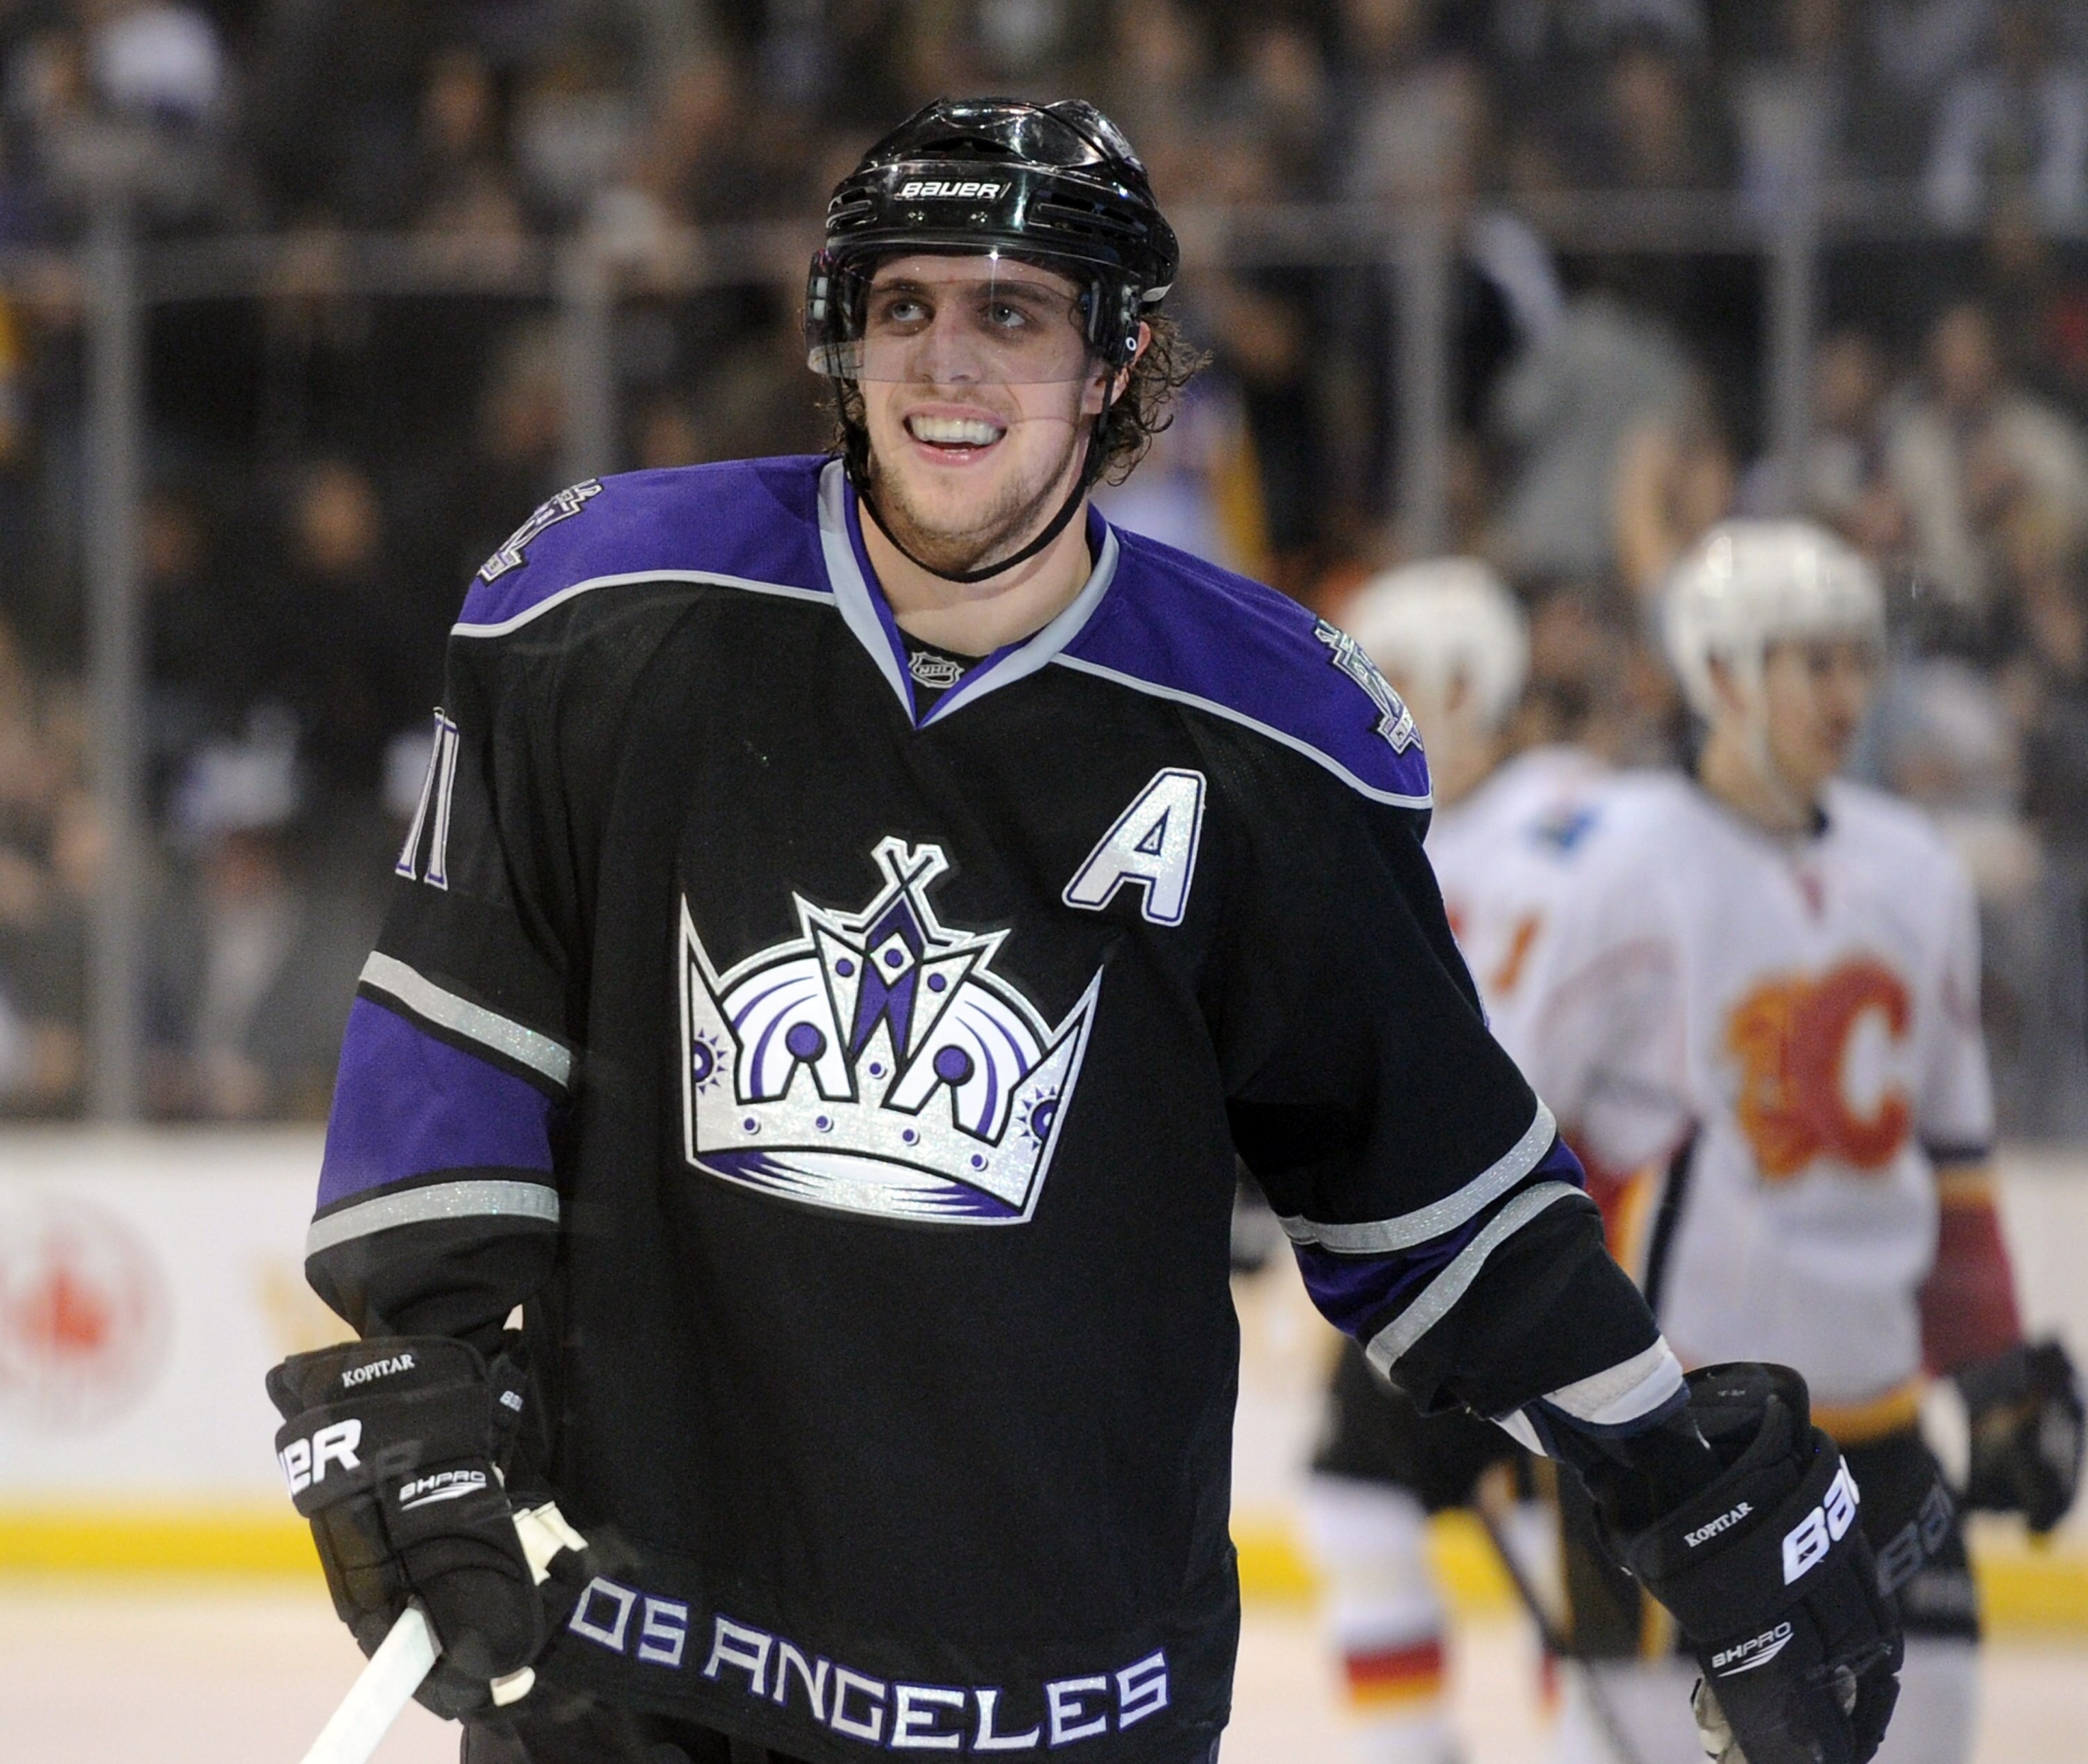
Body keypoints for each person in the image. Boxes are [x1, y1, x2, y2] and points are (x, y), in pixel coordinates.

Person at [264, 102, 1899, 1764]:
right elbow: (461, 1017)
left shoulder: (1273, 740)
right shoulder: (608, 613)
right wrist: (419, 1363)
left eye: (1014, 311)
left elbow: (1440, 1203)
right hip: (649, 1644)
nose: (949, 364)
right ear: (844, 333)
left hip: (1065, 1690)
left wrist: (1672, 1458)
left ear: (1118, 361)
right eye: (907, 305)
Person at [1509, 521, 2086, 1763]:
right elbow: (1525, 1145)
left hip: (1882, 1438)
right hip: (1688, 1462)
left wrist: (1985, 1368)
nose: (1845, 693)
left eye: (1856, 659)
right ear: (1723, 672)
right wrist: (1506, 1378)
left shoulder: (1917, 869)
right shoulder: (1630, 866)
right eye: (1809, 661)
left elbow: (1951, 1162)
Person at [1302, 558, 1623, 1764]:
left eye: (1395, 681)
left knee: (1573, 1517)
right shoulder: (1395, 831)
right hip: (1445, 1242)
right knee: (1357, 1493)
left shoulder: (1563, 821)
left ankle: (1575, 1740)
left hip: (1541, 1241)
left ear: (1461, 682)